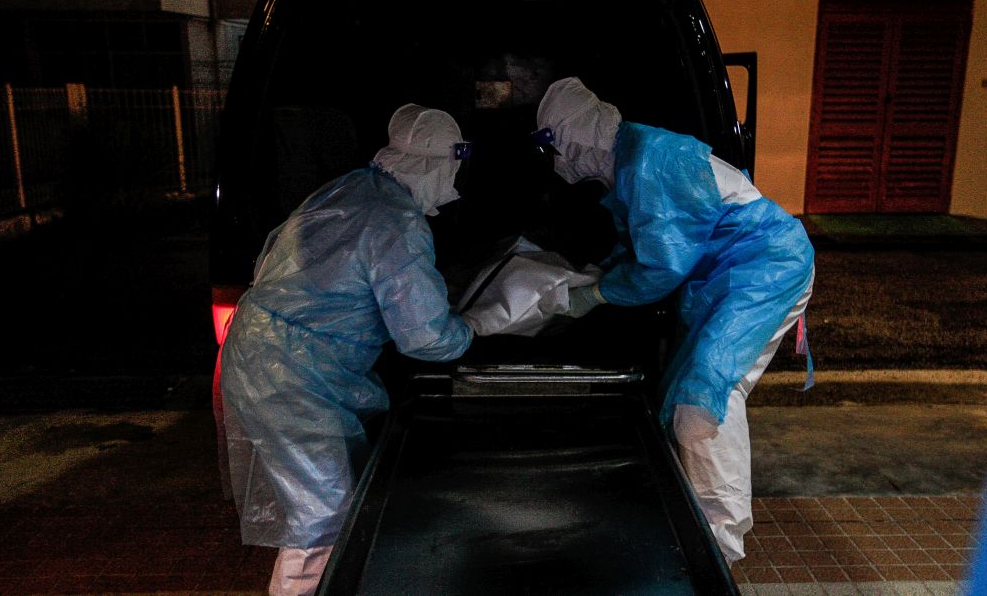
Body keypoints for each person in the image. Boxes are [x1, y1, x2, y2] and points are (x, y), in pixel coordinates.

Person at [536, 76, 815, 564]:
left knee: (702, 398)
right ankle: (699, 524)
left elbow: (663, 264)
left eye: (557, 146)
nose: (560, 161)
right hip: (728, 275)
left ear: (578, 137)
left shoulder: (650, 160)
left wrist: (598, 292)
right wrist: (598, 274)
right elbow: (646, 242)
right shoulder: (627, 164)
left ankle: (722, 548)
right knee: (683, 395)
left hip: (765, 267)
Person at [221, 104, 475, 596]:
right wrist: (470, 329)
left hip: (271, 356)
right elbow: (424, 336)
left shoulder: (352, 188)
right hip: (293, 372)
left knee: (322, 506)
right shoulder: (396, 222)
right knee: (323, 515)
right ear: (434, 164)